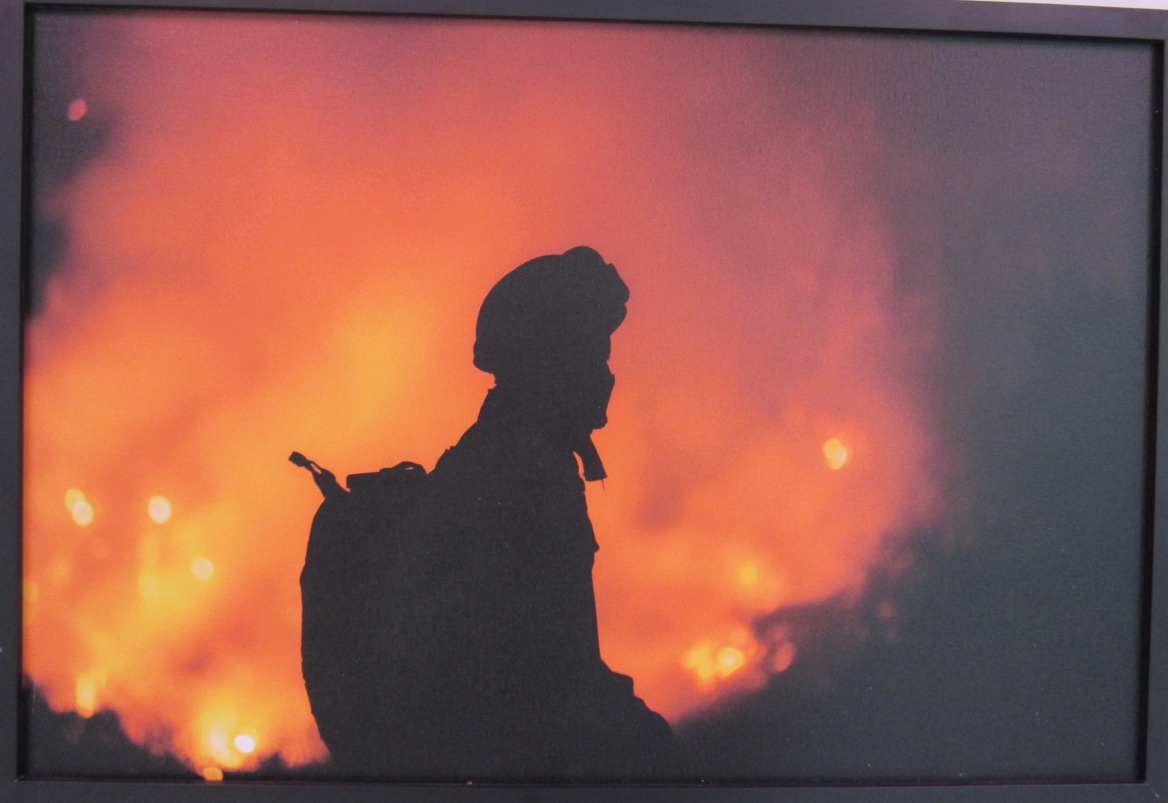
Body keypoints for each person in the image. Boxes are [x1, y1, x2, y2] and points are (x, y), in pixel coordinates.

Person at [407, 246, 673, 780]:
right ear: (551, 360)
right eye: (593, 354)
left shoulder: (503, 457)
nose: (604, 374)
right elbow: (550, 678)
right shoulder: (523, 475)